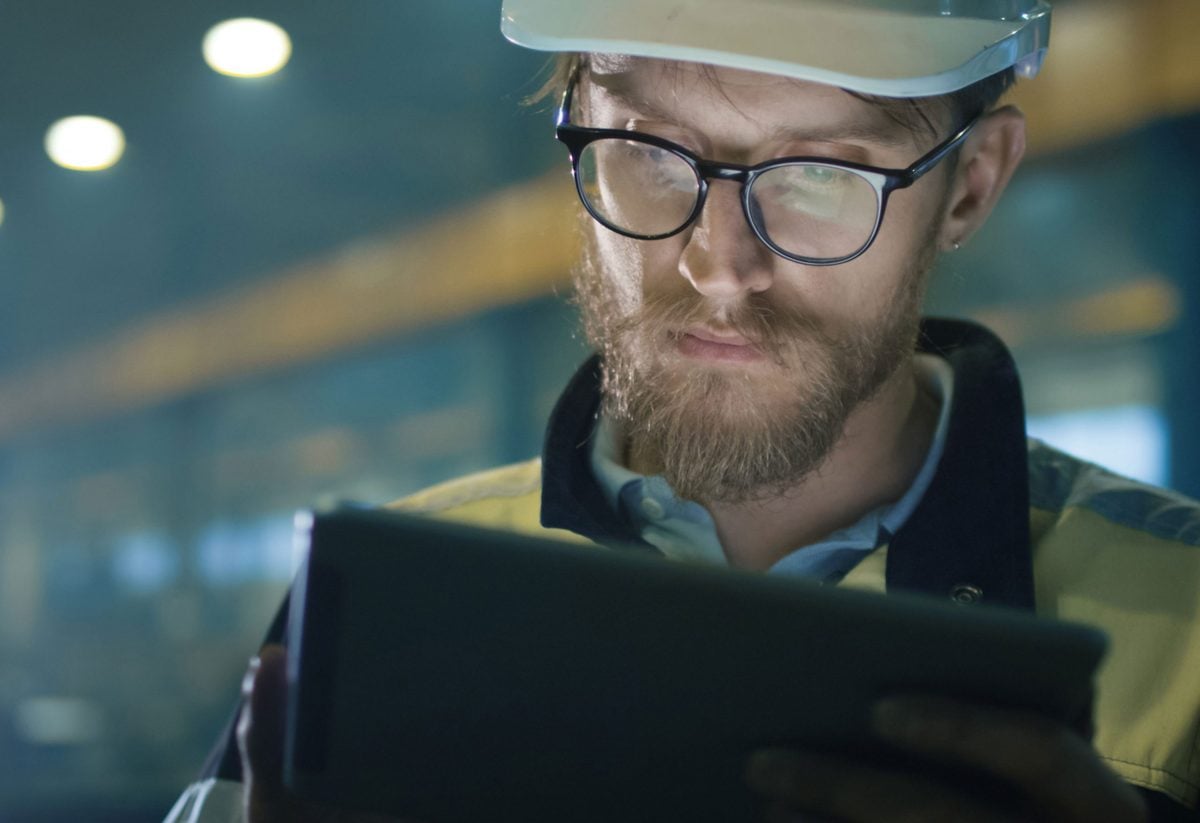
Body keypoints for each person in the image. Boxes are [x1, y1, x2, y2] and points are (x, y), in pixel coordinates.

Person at [165, 1, 1200, 820]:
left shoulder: (1185, 627)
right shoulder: (373, 608)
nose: (719, 265)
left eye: (823, 175)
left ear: (970, 186)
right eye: (653, 158)